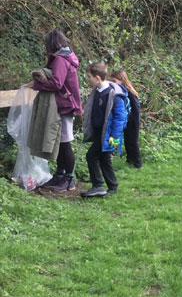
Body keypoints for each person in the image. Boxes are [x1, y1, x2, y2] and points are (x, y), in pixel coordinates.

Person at [27, 29, 82, 191]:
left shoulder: (60, 60)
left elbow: (57, 83)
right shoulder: (65, 57)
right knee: (61, 142)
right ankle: (59, 175)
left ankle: (69, 179)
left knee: (65, 143)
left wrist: (36, 85)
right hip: (64, 103)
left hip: (65, 104)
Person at [81, 62, 128, 198]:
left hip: (107, 134)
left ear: (97, 77)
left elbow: (120, 117)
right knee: (104, 159)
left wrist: (115, 136)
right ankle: (112, 186)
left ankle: (98, 186)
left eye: (89, 76)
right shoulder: (96, 92)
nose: (87, 79)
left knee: (92, 156)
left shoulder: (114, 94)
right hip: (97, 132)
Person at [111, 69, 142, 168]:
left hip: (133, 121)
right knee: (127, 142)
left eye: (115, 81)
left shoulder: (130, 93)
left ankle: (137, 163)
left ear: (121, 80)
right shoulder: (121, 92)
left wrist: (135, 122)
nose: (114, 84)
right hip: (126, 120)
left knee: (133, 142)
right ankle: (129, 161)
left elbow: (136, 109)